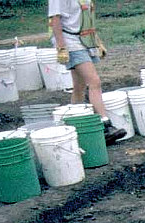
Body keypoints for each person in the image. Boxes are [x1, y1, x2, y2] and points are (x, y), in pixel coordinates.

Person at [48, 0, 126, 144]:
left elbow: (87, 18)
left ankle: (76, 126)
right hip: (70, 41)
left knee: (79, 87)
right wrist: (61, 47)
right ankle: (105, 125)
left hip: (84, 41)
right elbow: (55, 20)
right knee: (94, 81)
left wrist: (97, 41)